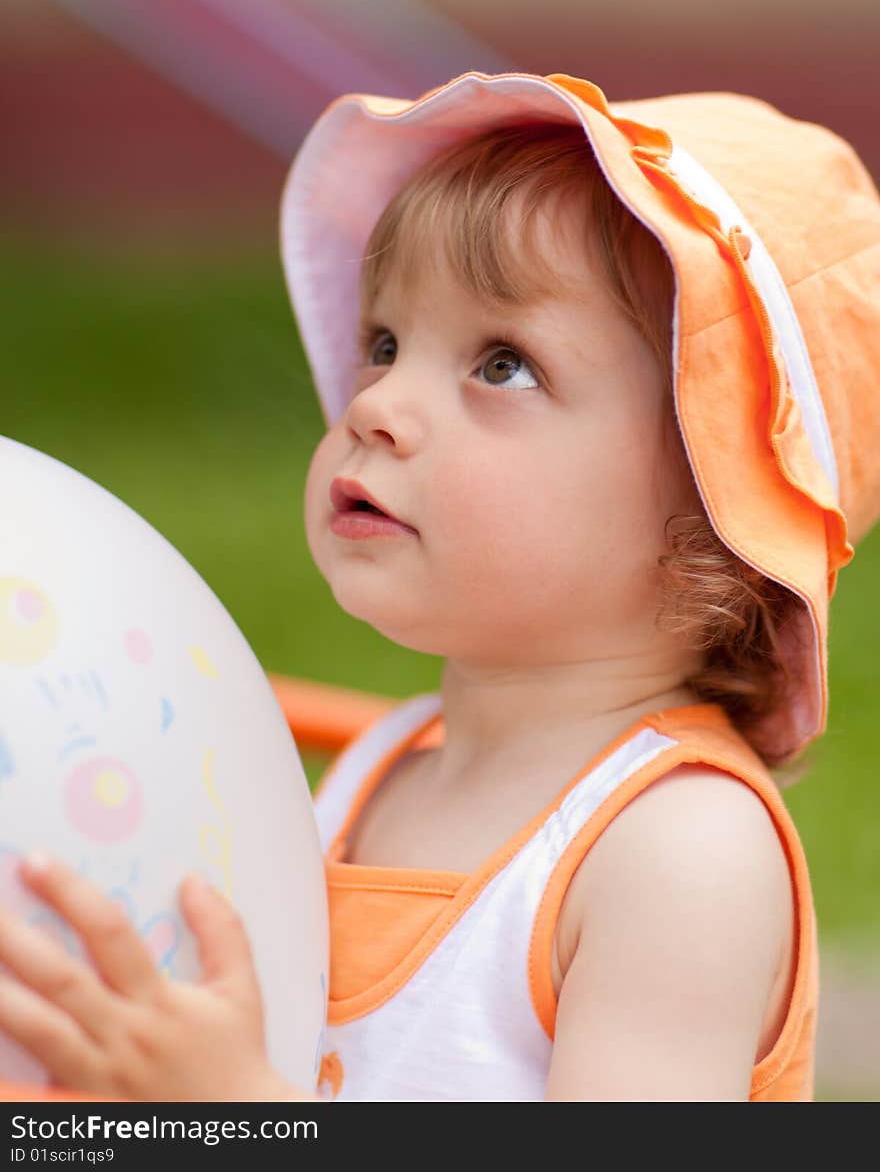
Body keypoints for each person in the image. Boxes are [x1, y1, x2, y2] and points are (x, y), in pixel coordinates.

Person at [0, 71, 878, 1102]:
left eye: (502, 364)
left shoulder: (679, 853)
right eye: (383, 343)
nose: (375, 405)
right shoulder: (380, 772)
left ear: (715, 515)